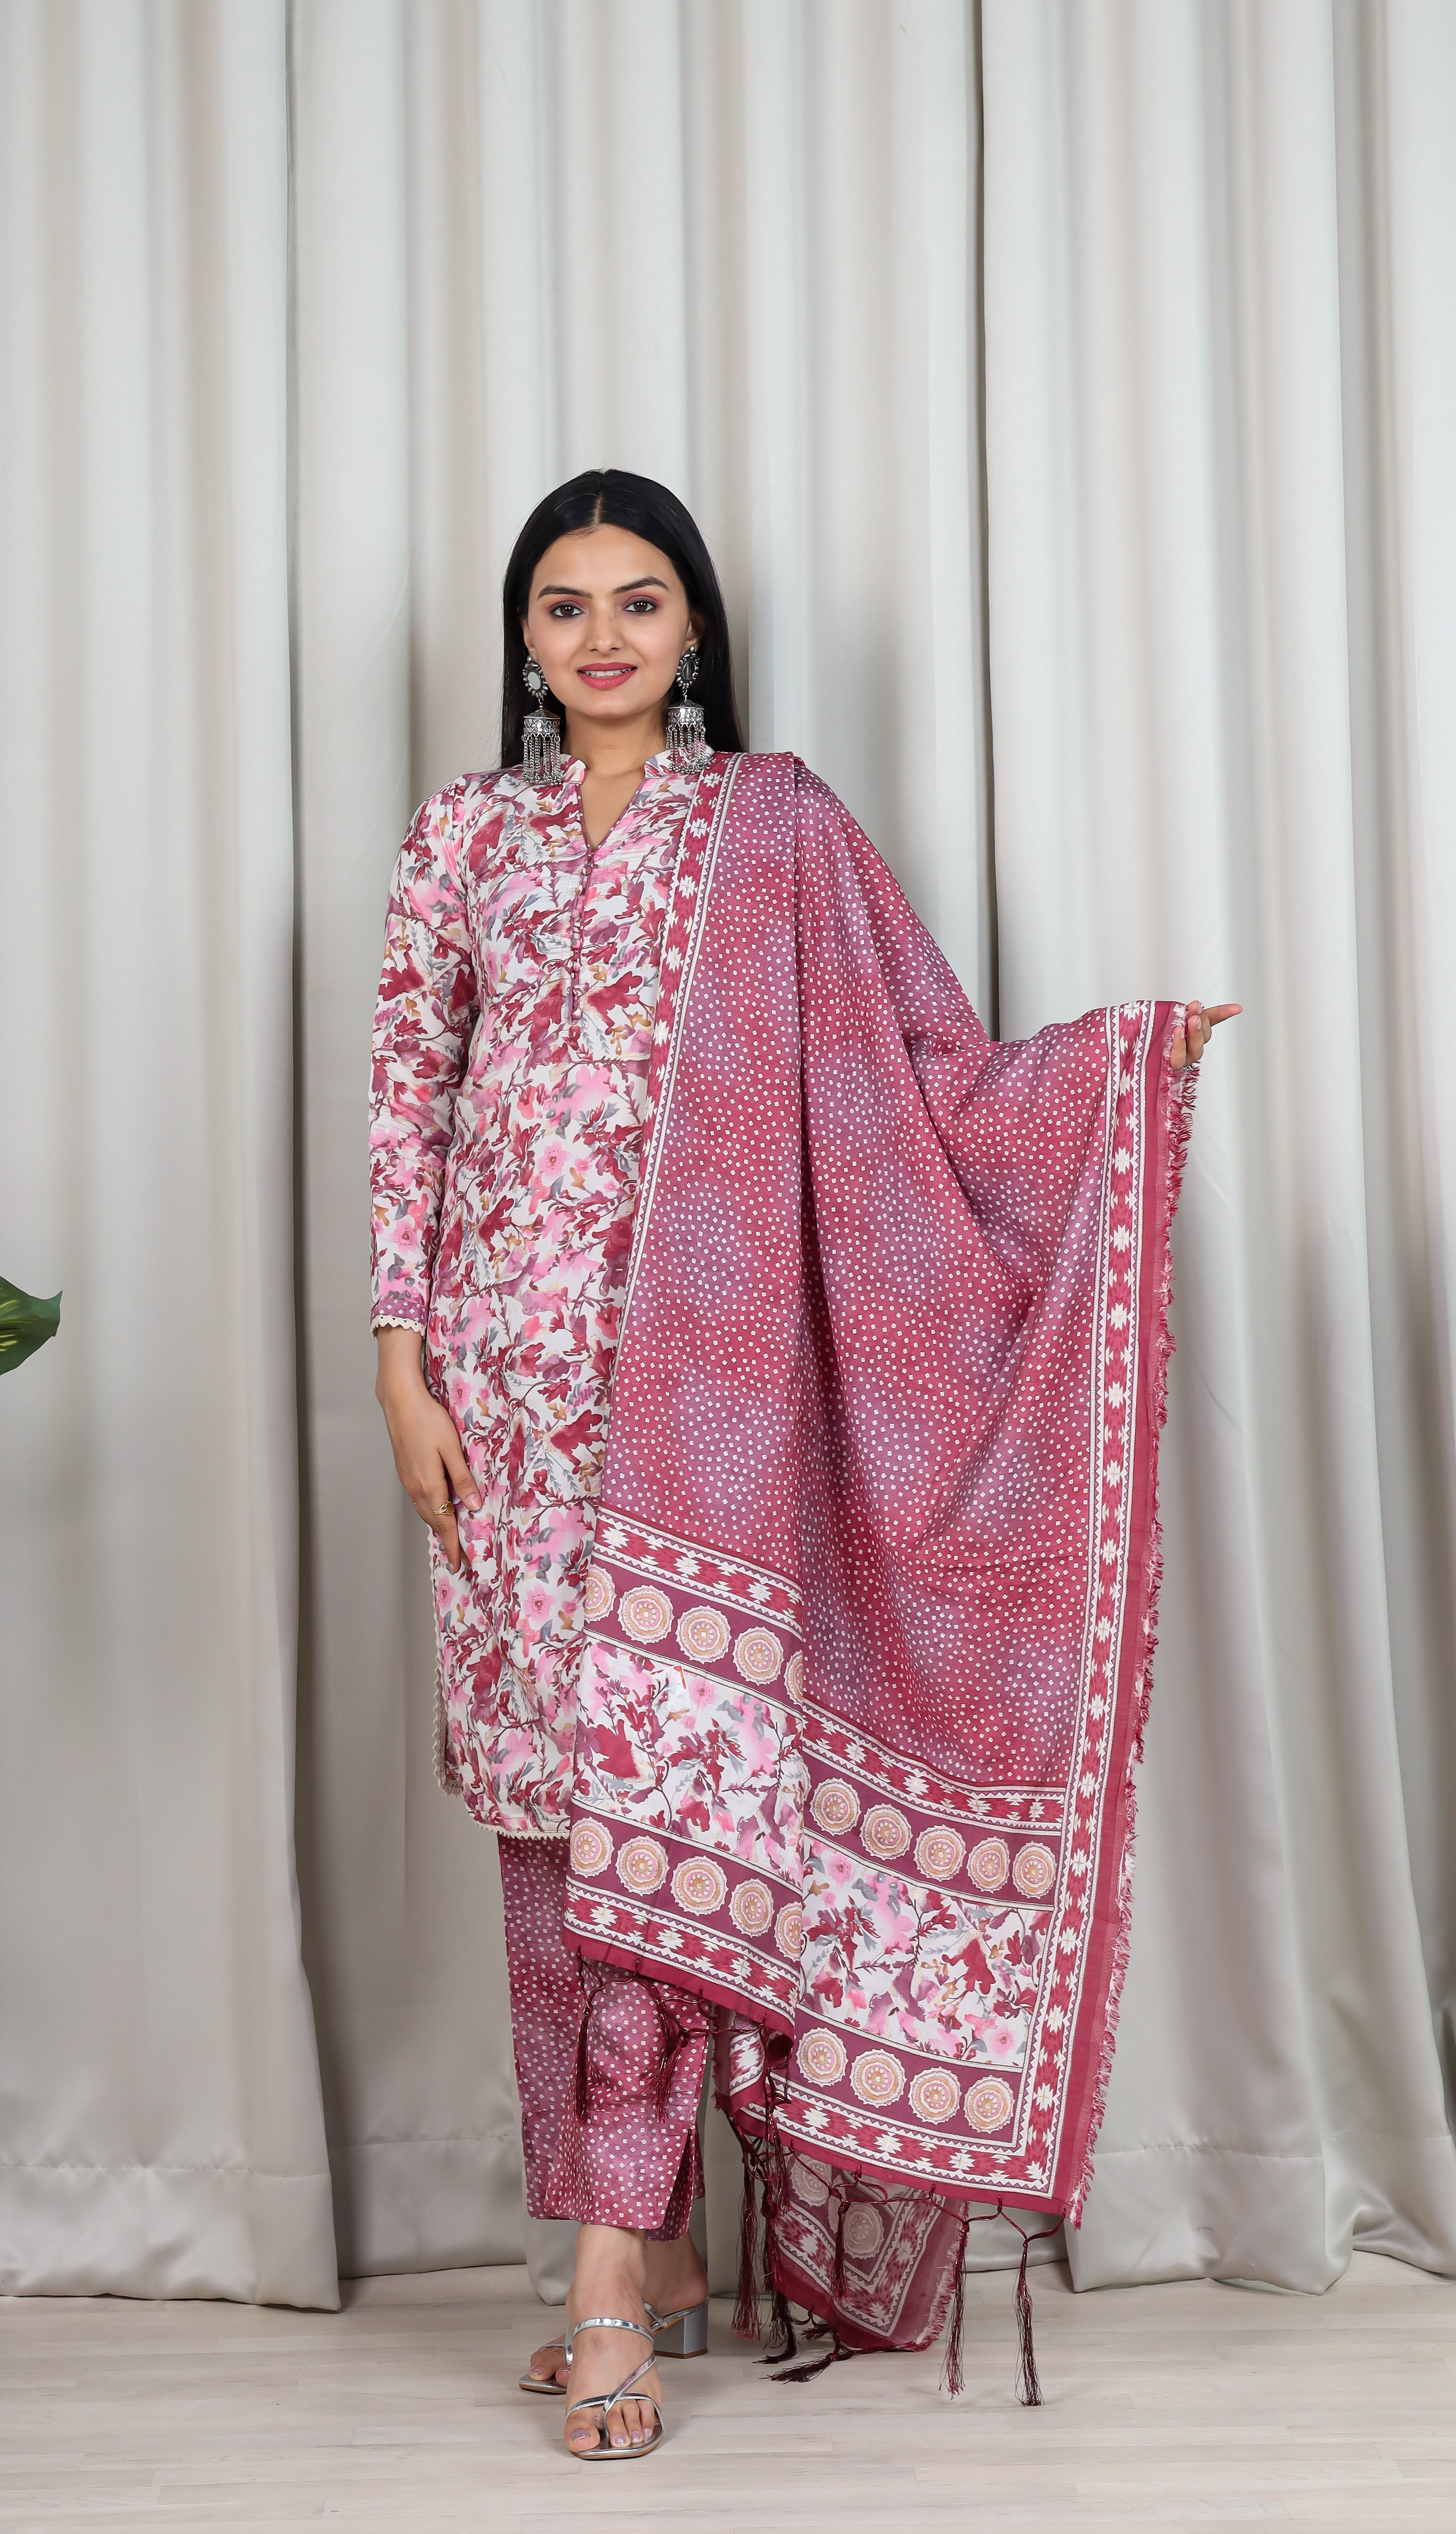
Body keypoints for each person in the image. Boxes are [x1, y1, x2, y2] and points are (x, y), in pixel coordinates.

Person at [369, 468, 1236, 2461]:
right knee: (545, 1828)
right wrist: (402, 1365)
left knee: (661, 1816)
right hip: (498, 1409)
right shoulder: (461, 838)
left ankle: (605, 2271)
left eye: (639, 601)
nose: (601, 637)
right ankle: (656, 2239)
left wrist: (1115, 1069)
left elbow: (923, 1080)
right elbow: (408, 1099)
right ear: (523, 639)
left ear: (694, 628)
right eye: (566, 605)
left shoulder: (771, 829)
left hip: (706, 1416)